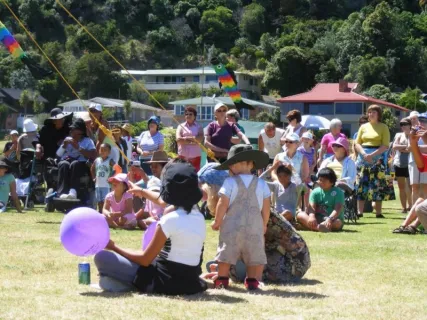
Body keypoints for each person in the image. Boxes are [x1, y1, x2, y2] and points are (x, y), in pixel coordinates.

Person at [94, 162, 207, 295]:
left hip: (163, 282)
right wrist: (141, 191)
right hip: (190, 282)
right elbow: (163, 201)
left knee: (101, 257)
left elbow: (145, 259)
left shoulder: (169, 220)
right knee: (134, 255)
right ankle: (115, 281)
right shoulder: (199, 217)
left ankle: (121, 283)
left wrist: (113, 247)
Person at [198, 162, 311, 284]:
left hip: (291, 262)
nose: (204, 198)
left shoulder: (245, 208)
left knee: (236, 266)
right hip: (291, 257)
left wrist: (226, 271)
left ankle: (237, 276)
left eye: (205, 189)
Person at [211, 144, 270, 290]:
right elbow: (266, 207)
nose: (230, 167)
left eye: (232, 164)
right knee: (253, 256)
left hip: (232, 227)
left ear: (249, 164)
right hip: (254, 227)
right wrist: (264, 223)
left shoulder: (229, 182)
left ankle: (222, 279)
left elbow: (222, 203)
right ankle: (251, 281)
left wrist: (217, 221)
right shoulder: (262, 184)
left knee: (226, 253)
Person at [354, 105, 394, 218]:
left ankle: (378, 212)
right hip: (363, 157)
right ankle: (359, 211)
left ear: (379, 114)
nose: (371, 114)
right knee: (361, 183)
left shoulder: (383, 127)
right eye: (369, 112)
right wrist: (364, 154)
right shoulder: (363, 127)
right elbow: (357, 143)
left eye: (374, 112)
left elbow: (385, 145)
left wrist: (372, 155)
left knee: (378, 185)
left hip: (378, 158)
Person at [56, 118, 97, 199]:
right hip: (68, 161)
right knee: (63, 164)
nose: (72, 132)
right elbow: (58, 155)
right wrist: (64, 146)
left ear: (81, 132)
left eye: (74, 130)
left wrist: (78, 147)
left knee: (75, 164)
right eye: (71, 130)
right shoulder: (67, 140)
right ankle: (62, 193)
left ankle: (73, 191)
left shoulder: (88, 141)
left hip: (82, 164)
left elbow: (93, 155)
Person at [296, 168, 344, 232]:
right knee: (300, 215)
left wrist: (329, 219)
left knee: (337, 223)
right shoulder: (315, 191)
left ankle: (309, 227)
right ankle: (320, 228)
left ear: (332, 182)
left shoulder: (338, 192)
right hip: (316, 219)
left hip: (332, 219)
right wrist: (312, 216)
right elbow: (312, 208)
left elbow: (337, 209)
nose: (320, 182)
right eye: (320, 180)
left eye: (324, 180)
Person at [272, 133, 309, 207]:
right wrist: (280, 181)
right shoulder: (279, 156)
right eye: (286, 141)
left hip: (295, 182)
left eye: (290, 142)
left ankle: (295, 211)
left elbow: (304, 176)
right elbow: (273, 173)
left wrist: (291, 182)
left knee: (301, 187)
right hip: (281, 181)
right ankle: (274, 210)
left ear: (297, 144)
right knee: (275, 185)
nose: (287, 143)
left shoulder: (302, 158)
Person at [392, 118, 412, 213]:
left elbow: (411, 149)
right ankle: (404, 208)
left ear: (410, 125)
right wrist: (406, 148)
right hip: (399, 163)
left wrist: (403, 148)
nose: (403, 126)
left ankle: (411, 206)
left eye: (405, 124)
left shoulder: (413, 135)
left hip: (410, 164)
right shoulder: (398, 135)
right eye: (401, 124)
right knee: (401, 187)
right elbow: (395, 147)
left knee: (410, 186)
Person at [176, 107, 203, 171]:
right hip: (182, 156)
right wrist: (193, 140)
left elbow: (200, 139)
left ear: (194, 116)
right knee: (182, 174)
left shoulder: (199, 127)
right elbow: (178, 140)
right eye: (186, 114)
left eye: (190, 114)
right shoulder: (180, 126)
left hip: (195, 157)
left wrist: (185, 139)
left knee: (195, 175)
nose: (188, 116)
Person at [408, 113, 427, 205]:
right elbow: (409, 147)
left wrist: (416, 147)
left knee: (424, 186)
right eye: (421, 121)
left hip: (424, 161)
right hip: (415, 161)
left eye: (424, 121)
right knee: (414, 187)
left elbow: (413, 147)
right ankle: (414, 211)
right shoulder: (415, 131)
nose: (421, 123)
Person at [91, 143, 115, 213]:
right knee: (99, 200)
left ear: (109, 152)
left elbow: (116, 168)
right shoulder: (97, 160)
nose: (103, 152)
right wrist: (93, 177)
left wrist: (112, 177)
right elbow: (92, 169)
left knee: (105, 200)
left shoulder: (110, 160)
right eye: (101, 150)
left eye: (105, 150)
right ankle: (100, 212)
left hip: (106, 185)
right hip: (98, 184)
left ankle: (105, 213)